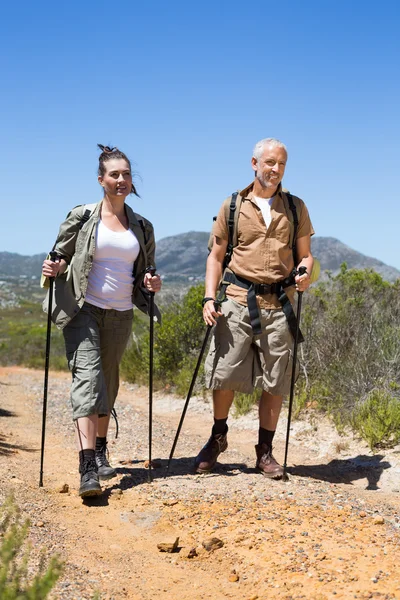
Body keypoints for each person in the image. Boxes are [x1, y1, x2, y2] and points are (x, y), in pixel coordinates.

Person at [41, 145, 161, 498]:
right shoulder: (81, 217)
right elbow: (59, 255)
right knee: (88, 381)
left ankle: (103, 448)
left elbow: (146, 271)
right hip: (84, 308)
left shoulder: (142, 226)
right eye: (114, 175)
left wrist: (151, 283)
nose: (121, 180)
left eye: (126, 174)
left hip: (121, 312)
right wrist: (55, 268)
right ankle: (87, 466)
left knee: (107, 381)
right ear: (101, 180)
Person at [196, 137, 314, 479]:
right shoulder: (232, 206)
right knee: (225, 374)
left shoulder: (295, 207)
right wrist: (208, 297)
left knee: (276, 381)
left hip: (279, 304)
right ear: (254, 163)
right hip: (235, 299)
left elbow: (306, 254)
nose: (275, 170)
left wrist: (305, 272)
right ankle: (218, 438)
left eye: (281, 164)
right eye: (269, 163)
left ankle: (265, 452)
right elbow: (216, 257)